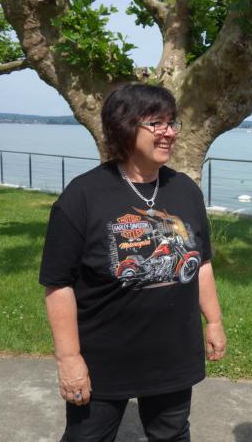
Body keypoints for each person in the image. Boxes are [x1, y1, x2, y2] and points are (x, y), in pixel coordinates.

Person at [39, 84, 226, 442]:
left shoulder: (185, 190)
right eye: (157, 123)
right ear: (125, 127)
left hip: (172, 355)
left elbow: (201, 262)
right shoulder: (82, 196)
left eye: (172, 123)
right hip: (104, 359)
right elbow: (58, 283)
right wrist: (69, 359)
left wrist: (214, 322)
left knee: (172, 434)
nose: (169, 132)